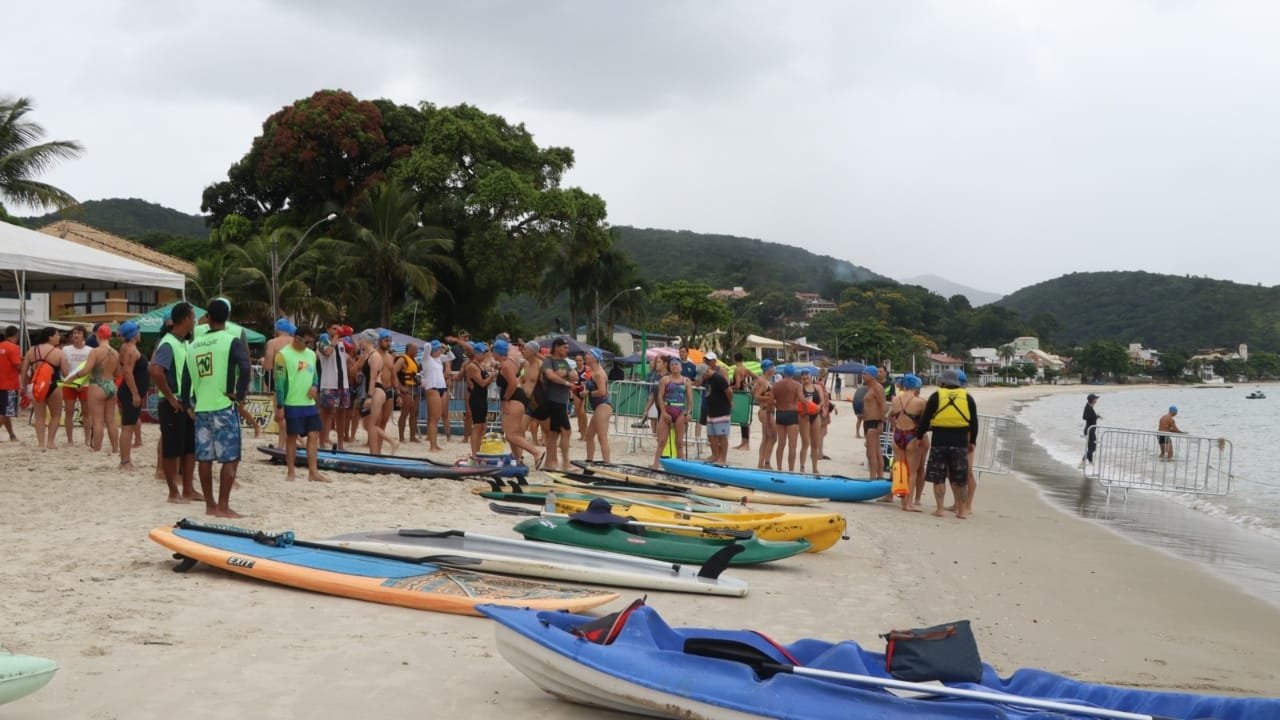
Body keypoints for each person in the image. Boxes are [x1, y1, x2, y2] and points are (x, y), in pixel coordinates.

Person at [187, 298, 251, 518]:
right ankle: (223, 506)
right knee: (231, 457)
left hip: (202, 407)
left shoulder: (193, 344)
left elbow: (186, 378)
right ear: (227, 318)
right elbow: (245, 367)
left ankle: (210, 505)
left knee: (204, 458)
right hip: (223, 405)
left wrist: (188, 403)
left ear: (208, 318)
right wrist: (240, 394)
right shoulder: (230, 340)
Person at [151, 303, 202, 503]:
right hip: (173, 402)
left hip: (186, 401)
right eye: (193, 317)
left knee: (190, 448)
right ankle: (173, 492)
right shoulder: (168, 343)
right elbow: (155, 371)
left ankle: (188, 489)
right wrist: (171, 397)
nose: (195, 321)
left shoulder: (185, 342)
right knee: (172, 448)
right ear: (186, 319)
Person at [919, 369, 978, 519]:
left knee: (939, 476)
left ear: (943, 382)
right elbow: (974, 422)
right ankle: (962, 511)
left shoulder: (936, 396)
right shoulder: (967, 397)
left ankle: (940, 509)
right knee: (960, 479)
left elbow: (925, 419)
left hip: (940, 440)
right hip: (960, 441)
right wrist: (972, 441)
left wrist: (919, 435)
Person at [274, 326, 329, 483]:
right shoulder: (283, 355)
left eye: (311, 342)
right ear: (297, 338)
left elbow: (315, 376)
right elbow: (279, 383)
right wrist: (280, 406)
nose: (309, 345)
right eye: (307, 341)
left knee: (314, 435)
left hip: (308, 403)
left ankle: (313, 472)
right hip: (291, 402)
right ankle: (291, 472)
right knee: (291, 438)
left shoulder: (311, 354)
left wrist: (315, 386)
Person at [63, 324, 121, 453]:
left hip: (97, 385)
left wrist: (72, 378)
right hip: (111, 385)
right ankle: (115, 449)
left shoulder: (95, 351)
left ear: (98, 336)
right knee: (111, 420)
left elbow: (86, 370)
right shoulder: (116, 352)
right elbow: (118, 374)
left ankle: (97, 449)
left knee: (98, 420)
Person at [495, 339, 544, 467]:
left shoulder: (506, 365)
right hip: (519, 398)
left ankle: (536, 452)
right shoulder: (512, 363)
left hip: (515, 399)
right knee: (515, 433)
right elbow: (517, 380)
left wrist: (505, 400)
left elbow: (512, 384)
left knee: (511, 435)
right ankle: (517, 459)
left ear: (497, 352)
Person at [22, 327, 64, 449]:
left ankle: (41, 443)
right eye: (57, 335)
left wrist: (23, 385)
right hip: (53, 385)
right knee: (56, 415)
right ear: (50, 336)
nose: (59, 337)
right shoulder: (58, 352)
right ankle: (50, 442)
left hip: (36, 385)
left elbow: (24, 370)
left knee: (39, 416)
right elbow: (65, 372)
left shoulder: (32, 351)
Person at [890, 373, 926, 512]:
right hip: (911, 436)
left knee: (900, 470)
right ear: (916, 387)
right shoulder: (920, 402)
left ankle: (903, 502)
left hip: (897, 435)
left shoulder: (895, 399)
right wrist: (920, 437)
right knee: (912, 472)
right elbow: (923, 422)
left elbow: (890, 416)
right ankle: (909, 504)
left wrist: (896, 423)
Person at [116, 321, 149, 469]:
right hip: (130, 392)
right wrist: (135, 394)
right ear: (134, 334)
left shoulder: (127, 347)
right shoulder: (130, 350)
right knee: (127, 427)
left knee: (128, 426)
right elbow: (127, 373)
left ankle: (126, 460)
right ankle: (125, 462)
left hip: (128, 391)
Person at [651, 356, 694, 468]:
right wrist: (664, 412)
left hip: (680, 412)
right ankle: (655, 464)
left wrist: (689, 412)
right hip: (667, 410)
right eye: (672, 364)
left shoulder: (686, 381)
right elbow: (660, 397)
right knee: (662, 441)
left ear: (681, 367)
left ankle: (682, 467)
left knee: (679, 442)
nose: (674, 366)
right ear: (670, 367)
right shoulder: (665, 380)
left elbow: (690, 399)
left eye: (676, 364)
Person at [542, 337, 575, 470]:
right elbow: (550, 376)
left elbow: (575, 376)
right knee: (566, 431)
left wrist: (563, 374)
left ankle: (549, 463)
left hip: (561, 400)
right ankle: (566, 463)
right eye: (565, 347)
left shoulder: (565, 362)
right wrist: (566, 382)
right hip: (553, 400)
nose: (567, 350)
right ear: (557, 347)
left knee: (554, 433)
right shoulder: (549, 360)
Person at [316, 328, 351, 450]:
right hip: (328, 384)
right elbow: (328, 352)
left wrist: (349, 334)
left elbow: (354, 352)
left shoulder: (342, 343)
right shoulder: (321, 343)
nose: (337, 330)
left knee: (342, 414)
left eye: (339, 328)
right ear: (329, 329)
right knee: (324, 414)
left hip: (343, 384)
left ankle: (341, 444)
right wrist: (334, 340)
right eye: (335, 328)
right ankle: (321, 443)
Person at [263, 317, 295, 449]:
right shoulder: (295, 341)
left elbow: (268, 365)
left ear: (277, 329)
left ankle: (282, 446)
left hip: (280, 379)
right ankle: (286, 443)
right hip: (295, 380)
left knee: (280, 415)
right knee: (289, 415)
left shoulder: (273, 343)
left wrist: (263, 364)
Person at [60, 325, 92, 446]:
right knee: (69, 412)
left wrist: (81, 382)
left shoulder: (90, 350)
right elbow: (65, 367)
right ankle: (69, 440)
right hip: (69, 383)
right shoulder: (66, 349)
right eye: (74, 333)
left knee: (86, 413)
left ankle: (87, 439)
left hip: (85, 384)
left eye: (78, 333)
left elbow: (90, 369)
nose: (75, 335)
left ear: (84, 335)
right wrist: (73, 382)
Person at [463, 342, 495, 456]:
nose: (485, 356)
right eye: (483, 353)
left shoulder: (481, 365)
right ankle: (475, 453)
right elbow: (481, 383)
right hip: (476, 397)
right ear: (476, 354)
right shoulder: (472, 366)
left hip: (482, 397)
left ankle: (479, 451)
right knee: (477, 426)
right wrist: (492, 377)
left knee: (482, 425)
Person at [702, 352, 733, 464]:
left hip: (721, 409)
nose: (707, 363)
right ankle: (715, 455)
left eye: (709, 361)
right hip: (711, 409)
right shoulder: (707, 378)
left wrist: (730, 403)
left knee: (721, 435)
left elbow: (728, 391)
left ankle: (722, 458)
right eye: (705, 361)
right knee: (711, 435)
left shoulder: (719, 375)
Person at [583, 349, 613, 462]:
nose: (586, 355)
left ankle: (607, 463)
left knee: (602, 437)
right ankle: (589, 460)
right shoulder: (594, 372)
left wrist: (588, 393)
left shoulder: (599, 374)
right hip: (599, 407)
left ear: (595, 358)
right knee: (589, 436)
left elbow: (603, 392)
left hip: (603, 406)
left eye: (589, 354)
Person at [772, 365, 802, 471]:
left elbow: (771, 401)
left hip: (780, 413)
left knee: (781, 443)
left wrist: (777, 406)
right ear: (793, 374)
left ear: (784, 373)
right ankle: (791, 470)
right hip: (792, 413)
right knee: (792, 445)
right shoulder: (797, 385)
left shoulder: (776, 385)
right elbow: (801, 399)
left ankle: (779, 468)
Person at [860, 365, 887, 480]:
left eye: (865, 374)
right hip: (868, 422)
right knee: (875, 452)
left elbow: (883, 405)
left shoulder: (877, 387)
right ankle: (879, 477)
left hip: (874, 422)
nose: (862, 376)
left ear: (871, 375)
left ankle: (873, 478)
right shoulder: (869, 388)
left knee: (872, 454)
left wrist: (881, 422)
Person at [423, 339, 448, 451]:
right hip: (432, 388)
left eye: (439, 349)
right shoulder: (426, 359)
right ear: (433, 350)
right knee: (433, 418)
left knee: (437, 418)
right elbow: (427, 346)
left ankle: (435, 443)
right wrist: (437, 344)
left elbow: (451, 357)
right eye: (437, 349)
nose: (439, 351)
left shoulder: (438, 359)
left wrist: (446, 348)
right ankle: (432, 445)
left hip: (442, 388)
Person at [395, 342, 422, 443]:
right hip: (406, 388)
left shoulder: (413, 360)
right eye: (415, 349)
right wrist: (400, 387)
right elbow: (394, 372)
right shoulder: (402, 359)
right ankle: (401, 437)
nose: (417, 351)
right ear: (409, 349)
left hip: (415, 388)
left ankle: (412, 437)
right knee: (404, 413)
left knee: (415, 413)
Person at [753, 359, 777, 468]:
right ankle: (766, 463)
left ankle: (761, 463)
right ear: (768, 369)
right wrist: (769, 398)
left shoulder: (765, 380)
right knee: (772, 437)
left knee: (766, 438)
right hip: (765, 411)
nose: (774, 369)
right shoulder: (763, 381)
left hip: (767, 411)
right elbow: (756, 396)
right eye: (772, 367)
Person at [0, 326, 22, 442]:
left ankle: (12, 435)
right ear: (16, 335)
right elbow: (18, 366)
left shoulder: (1, 345)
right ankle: (12, 435)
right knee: (7, 412)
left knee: (4, 412)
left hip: (1, 383)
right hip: (9, 384)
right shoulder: (13, 347)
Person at [730, 353, 756, 450]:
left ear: (734, 359)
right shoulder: (746, 369)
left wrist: (728, 387)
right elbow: (757, 377)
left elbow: (737, 385)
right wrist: (748, 384)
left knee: (743, 420)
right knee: (743, 419)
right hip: (744, 394)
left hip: (739, 394)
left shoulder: (737, 369)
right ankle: (744, 443)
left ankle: (746, 444)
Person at [1080, 393, 1101, 468]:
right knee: (1093, 447)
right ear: (1092, 400)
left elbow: (1089, 417)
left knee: (1090, 447)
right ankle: (1083, 461)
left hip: (1090, 430)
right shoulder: (1088, 407)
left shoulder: (1090, 407)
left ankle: (1090, 462)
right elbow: (1085, 417)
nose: (1096, 400)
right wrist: (1095, 416)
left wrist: (1096, 416)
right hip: (1089, 430)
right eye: (1095, 399)